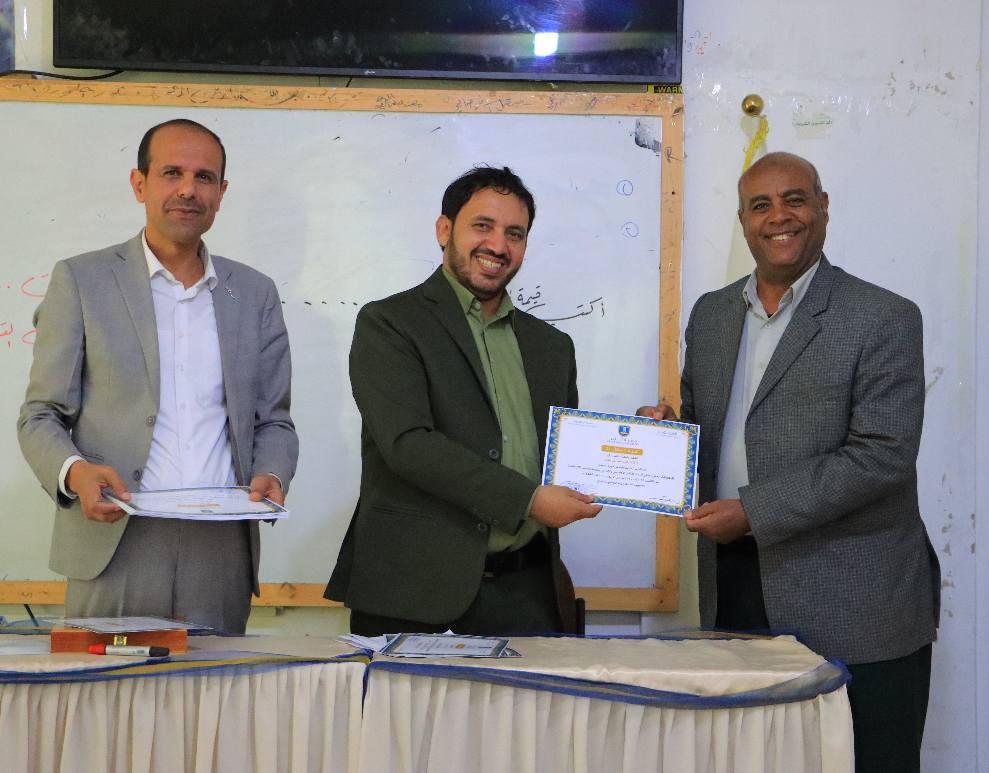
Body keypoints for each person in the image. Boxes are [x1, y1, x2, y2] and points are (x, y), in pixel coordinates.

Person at [641, 152, 940, 772]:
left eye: (795, 200)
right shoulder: (711, 314)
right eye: (761, 205)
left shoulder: (883, 316)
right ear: (744, 222)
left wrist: (752, 512)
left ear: (823, 208)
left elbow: (882, 455)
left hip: (857, 600)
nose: (779, 216)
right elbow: (707, 431)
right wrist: (666, 441)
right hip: (736, 586)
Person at [17, 119, 299, 634]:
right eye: (172, 173)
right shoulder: (81, 280)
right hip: (116, 540)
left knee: (214, 688)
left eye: (204, 177)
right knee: (109, 688)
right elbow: (40, 415)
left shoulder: (255, 293)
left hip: (220, 549)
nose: (189, 189)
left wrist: (274, 474)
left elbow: (274, 420)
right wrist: (76, 473)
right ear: (139, 183)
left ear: (221, 193)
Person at [324, 165, 601, 636]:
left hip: (527, 595)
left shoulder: (553, 347)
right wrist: (528, 500)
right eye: (482, 226)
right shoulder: (390, 324)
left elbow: (568, 456)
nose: (498, 245)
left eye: (515, 233)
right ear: (444, 230)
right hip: (413, 595)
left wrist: (645, 440)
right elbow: (409, 445)